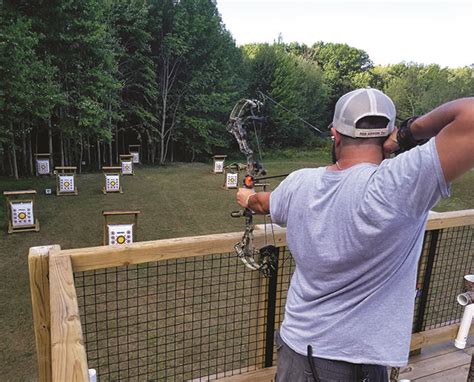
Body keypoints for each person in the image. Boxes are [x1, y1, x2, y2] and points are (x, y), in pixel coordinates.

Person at [235, 89, 474, 382]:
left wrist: (246, 196)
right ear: (386, 135)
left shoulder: (299, 183)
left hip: (296, 351)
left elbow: (262, 203)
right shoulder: (398, 184)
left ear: (335, 134)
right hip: (357, 362)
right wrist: (406, 134)